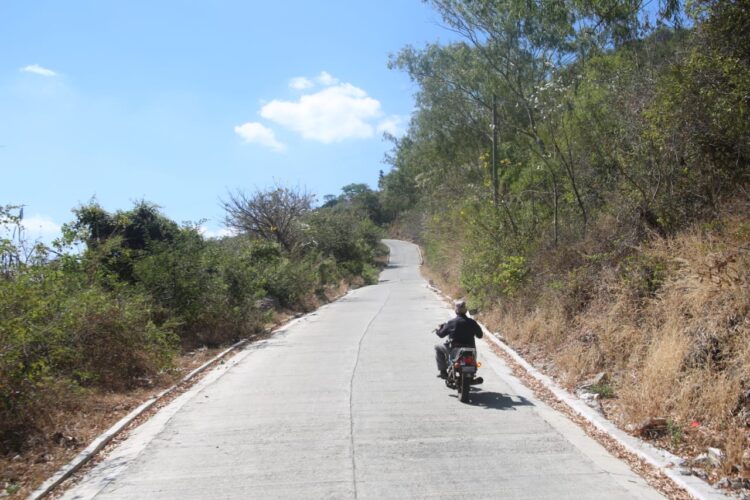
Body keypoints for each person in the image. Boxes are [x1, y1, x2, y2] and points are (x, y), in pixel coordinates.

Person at [434, 299, 483, 379]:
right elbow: (480, 335)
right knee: (474, 360)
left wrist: (438, 329)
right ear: (466, 310)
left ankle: (443, 372)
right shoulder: (472, 322)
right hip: (470, 349)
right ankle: (472, 371)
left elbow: (441, 334)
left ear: (456, 310)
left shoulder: (451, 322)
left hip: (455, 350)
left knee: (437, 347)